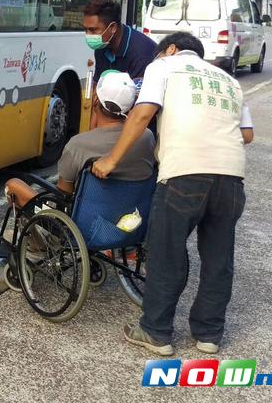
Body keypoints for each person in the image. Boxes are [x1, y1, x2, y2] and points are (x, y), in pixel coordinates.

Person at [91, 31, 254, 357]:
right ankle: (209, 334)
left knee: (166, 254)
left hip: (183, 174)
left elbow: (142, 113)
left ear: (172, 49)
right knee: (219, 259)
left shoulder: (164, 67)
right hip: (231, 177)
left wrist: (111, 159)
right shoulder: (228, 80)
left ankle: (155, 331)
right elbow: (247, 134)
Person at [4, 70, 156, 208]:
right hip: (130, 221)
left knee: (14, 185)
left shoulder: (78, 145)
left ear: (96, 100)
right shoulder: (147, 136)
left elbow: (63, 195)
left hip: (85, 226)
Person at [83, 0, 157, 86]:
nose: (88, 35)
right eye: (85, 29)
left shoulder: (141, 53)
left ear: (113, 27)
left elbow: (138, 96)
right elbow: (98, 84)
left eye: (93, 30)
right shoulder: (102, 46)